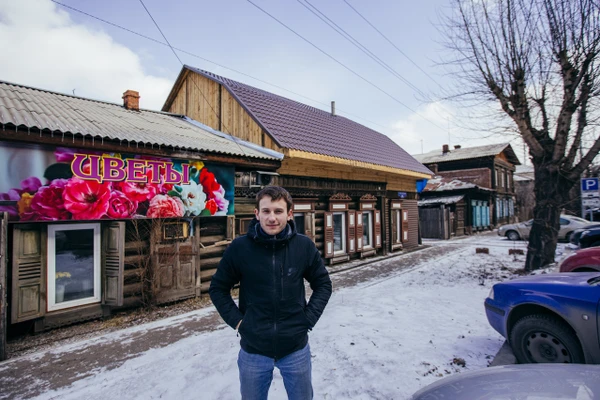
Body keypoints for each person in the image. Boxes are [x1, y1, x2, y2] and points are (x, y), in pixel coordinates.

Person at [209, 186, 332, 400]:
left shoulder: (303, 246)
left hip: (295, 348)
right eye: (266, 211)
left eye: (278, 211)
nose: (272, 218)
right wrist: (239, 322)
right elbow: (218, 288)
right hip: (253, 350)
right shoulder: (240, 248)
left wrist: (307, 319)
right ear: (256, 214)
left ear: (289, 214)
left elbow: (323, 284)